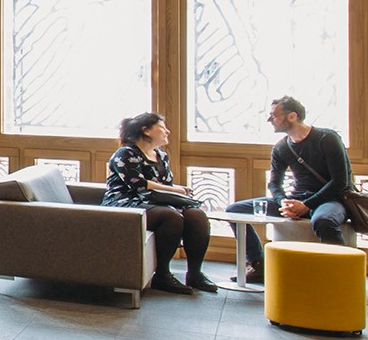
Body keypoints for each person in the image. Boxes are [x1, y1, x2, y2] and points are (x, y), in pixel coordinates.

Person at [225, 95, 353, 282]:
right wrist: (283, 202)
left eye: (274, 115)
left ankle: (340, 274)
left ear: (292, 116)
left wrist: (307, 205)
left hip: (330, 199)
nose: (269, 120)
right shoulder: (281, 147)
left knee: (324, 221)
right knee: (234, 210)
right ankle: (257, 264)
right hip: (297, 199)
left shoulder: (327, 139)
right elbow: (274, 184)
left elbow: (340, 181)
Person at [106, 112, 214, 294]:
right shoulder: (125, 154)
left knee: (197, 215)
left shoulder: (161, 155)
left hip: (153, 201)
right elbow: (138, 185)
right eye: (162, 128)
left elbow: (164, 186)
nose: (168, 132)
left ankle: (195, 274)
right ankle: (162, 275)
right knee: (170, 217)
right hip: (124, 202)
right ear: (146, 130)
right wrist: (175, 190)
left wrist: (176, 191)